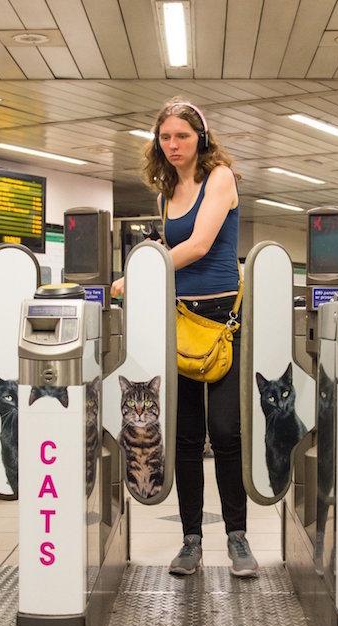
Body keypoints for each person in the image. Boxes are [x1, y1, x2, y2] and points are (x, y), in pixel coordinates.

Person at [110, 99, 257, 578]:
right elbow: (172, 247)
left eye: (182, 137)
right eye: (165, 137)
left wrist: (138, 272)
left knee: (228, 432)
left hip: (221, 321)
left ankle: (238, 537)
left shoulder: (221, 179)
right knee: (187, 437)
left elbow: (195, 245)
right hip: (178, 319)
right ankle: (190, 539)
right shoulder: (165, 191)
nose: (172, 146)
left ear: (202, 138)